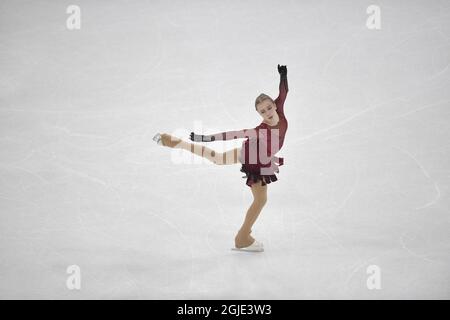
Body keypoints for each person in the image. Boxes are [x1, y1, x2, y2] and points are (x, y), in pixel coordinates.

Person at [153, 64, 289, 252]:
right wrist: (207, 138)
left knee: (217, 159)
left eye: (268, 108)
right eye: (262, 111)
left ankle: (176, 143)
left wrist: (283, 75)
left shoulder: (280, 110)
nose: (267, 113)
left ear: (274, 104)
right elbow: (233, 134)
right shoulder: (260, 131)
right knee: (260, 200)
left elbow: (284, 91)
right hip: (255, 160)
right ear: (258, 114)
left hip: (254, 153)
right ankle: (242, 238)